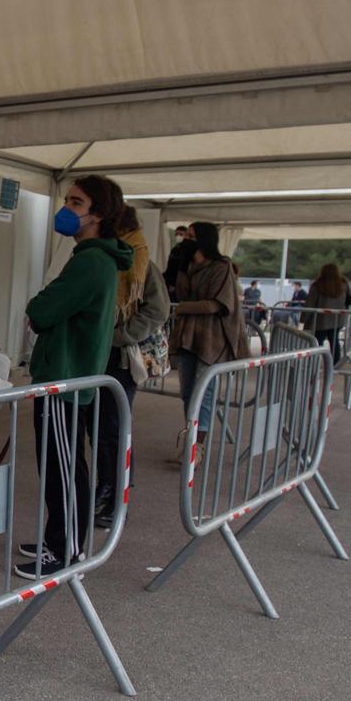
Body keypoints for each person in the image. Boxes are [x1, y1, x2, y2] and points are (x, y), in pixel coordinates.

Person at [21, 177, 132, 574]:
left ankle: (65, 549)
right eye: (66, 199)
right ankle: (59, 538)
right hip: (68, 375)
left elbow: (44, 309)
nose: (66, 209)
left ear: (98, 214)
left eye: (76, 202)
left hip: (66, 377)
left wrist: (39, 308)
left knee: (63, 467)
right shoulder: (91, 256)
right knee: (62, 464)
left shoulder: (90, 260)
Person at [95, 206, 167, 529]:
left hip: (121, 356)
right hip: (98, 354)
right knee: (97, 426)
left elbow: (157, 310)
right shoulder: (102, 260)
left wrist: (120, 336)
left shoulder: (142, 265)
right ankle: (106, 485)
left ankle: (118, 494)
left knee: (116, 426)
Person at [166, 221, 247, 462]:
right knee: (188, 391)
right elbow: (180, 292)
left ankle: (197, 446)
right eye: (185, 236)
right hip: (188, 336)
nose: (187, 240)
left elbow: (217, 303)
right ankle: (190, 439)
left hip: (211, 338)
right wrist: (179, 265)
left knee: (205, 391)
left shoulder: (222, 267)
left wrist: (183, 308)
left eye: (192, 236)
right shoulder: (187, 264)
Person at [305, 262, 351, 366]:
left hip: (319, 319)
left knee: (316, 342)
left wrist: (304, 319)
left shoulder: (317, 285)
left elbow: (310, 303)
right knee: (334, 341)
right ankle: (335, 365)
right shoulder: (343, 284)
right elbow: (350, 301)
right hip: (337, 318)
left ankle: (313, 364)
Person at [163, 224, 198, 302]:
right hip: (170, 284)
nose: (178, 236)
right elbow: (170, 267)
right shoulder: (175, 249)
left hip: (178, 285)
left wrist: (174, 284)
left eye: (181, 234)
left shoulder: (189, 250)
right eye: (176, 234)